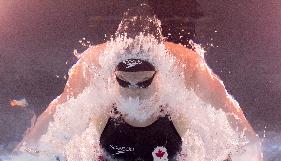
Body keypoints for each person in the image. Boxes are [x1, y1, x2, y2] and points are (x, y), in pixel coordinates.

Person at [19, 5, 262, 161]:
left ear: (160, 75)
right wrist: (26, 154)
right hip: (111, 137)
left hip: (171, 131)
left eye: (144, 83)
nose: (133, 95)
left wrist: (242, 154)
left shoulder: (187, 67)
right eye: (124, 82)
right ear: (112, 74)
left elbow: (233, 120)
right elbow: (55, 115)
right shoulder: (93, 67)